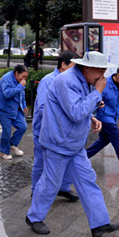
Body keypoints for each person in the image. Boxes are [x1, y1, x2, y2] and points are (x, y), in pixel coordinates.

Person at [26, 51, 119, 237]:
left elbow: (80, 108)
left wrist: (92, 117)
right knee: (50, 183)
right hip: (58, 143)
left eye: (104, 70)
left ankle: (100, 223)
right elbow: (76, 112)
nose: (103, 75)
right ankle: (34, 217)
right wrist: (98, 92)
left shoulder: (86, 80)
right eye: (100, 70)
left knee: (88, 181)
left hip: (75, 144)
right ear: (87, 68)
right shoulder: (67, 81)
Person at [31, 50, 79, 201]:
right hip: (44, 131)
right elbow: (43, 107)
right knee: (41, 162)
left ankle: (63, 188)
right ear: (64, 65)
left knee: (66, 161)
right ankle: (35, 191)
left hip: (64, 132)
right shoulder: (48, 81)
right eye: (74, 65)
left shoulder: (71, 81)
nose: (77, 70)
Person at [86, 65, 119, 176]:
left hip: (113, 117)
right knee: (118, 140)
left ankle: (82, 158)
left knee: (103, 141)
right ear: (118, 75)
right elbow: (95, 98)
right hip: (104, 117)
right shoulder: (105, 84)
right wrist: (99, 105)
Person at [0, 65, 28, 159]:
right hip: (4, 109)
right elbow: (7, 94)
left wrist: (24, 105)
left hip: (16, 108)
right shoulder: (6, 79)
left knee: (23, 126)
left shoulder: (20, 81)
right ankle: (4, 152)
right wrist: (20, 86)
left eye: (26, 77)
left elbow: (22, 93)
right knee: (7, 132)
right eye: (23, 76)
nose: (24, 79)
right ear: (16, 73)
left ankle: (12, 144)